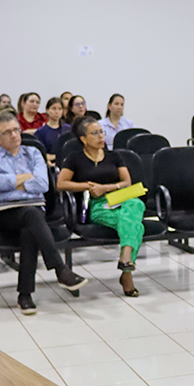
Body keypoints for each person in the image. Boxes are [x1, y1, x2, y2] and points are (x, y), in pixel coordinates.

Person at [0, 111, 87, 314]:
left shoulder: (33, 153)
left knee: (29, 229)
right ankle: (60, 269)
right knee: (31, 216)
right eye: (7, 132)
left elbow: (43, 184)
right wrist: (25, 178)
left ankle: (25, 295)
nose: (14, 135)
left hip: (33, 209)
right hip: (2, 212)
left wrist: (12, 183)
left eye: (16, 130)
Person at [57, 116, 145, 297]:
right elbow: (61, 183)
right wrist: (87, 186)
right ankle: (126, 272)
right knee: (134, 222)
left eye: (101, 132)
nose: (100, 137)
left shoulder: (114, 156)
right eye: (95, 133)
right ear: (83, 138)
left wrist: (106, 188)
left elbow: (127, 182)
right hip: (97, 205)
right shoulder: (75, 158)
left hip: (121, 199)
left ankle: (126, 260)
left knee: (135, 204)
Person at [34, 96, 71, 163]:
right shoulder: (41, 132)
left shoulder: (68, 129)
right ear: (47, 110)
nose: (57, 112)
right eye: (53, 109)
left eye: (60, 109)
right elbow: (39, 153)